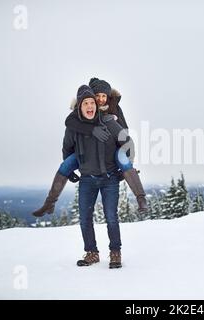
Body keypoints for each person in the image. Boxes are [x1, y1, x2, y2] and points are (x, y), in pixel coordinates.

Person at [31, 78, 148, 218]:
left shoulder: (113, 108)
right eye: (97, 96)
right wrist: (92, 129)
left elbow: (125, 133)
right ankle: (49, 203)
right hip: (87, 151)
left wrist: (126, 163)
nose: (101, 99)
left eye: (104, 96)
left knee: (123, 158)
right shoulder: (85, 108)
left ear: (108, 96)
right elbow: (70, 123)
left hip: (113, 149)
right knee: (66, 164)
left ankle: (141, 198)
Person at [63, 84, 123, 268]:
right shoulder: (74, 128)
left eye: (92, 103)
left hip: (109, 178)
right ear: (79, 107)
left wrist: (124, 167)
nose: (90, 106)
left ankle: (115, 252)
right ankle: (92, 252)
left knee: (111, 217)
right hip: (87, 179)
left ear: (96, 105)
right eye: (85, 103)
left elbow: (126, 142)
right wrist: (69, 170)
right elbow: (67, 148)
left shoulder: (109, 122)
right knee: (85, 218)